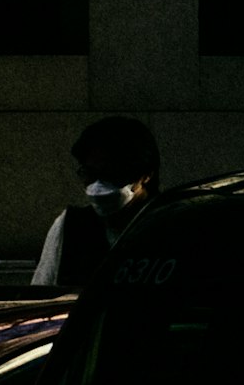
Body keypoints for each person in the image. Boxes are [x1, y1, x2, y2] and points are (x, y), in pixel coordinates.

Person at [29, 116, 160, 295]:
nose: (99, 186)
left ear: (145, 175)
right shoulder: (70, 226)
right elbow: (40, 295)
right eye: (90, 174)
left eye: (112, 174)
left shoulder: (170, 226)